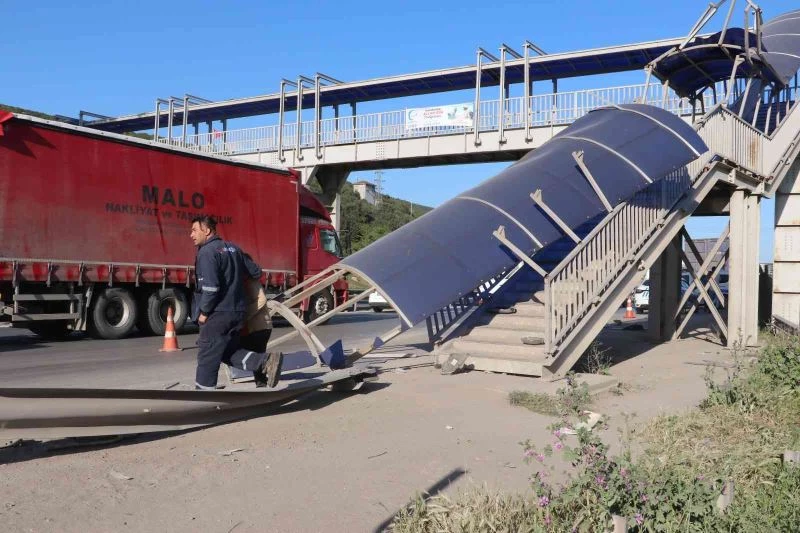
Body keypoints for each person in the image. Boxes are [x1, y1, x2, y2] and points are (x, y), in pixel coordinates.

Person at [190, 215, 282, 390]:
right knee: (226, 351)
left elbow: (211, 288)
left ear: (207, 230)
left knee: (207, 353)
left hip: (218, 312)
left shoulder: (207, 252)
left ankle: (203, 395)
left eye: (194, 230)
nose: (191, 235)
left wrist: (204, 312)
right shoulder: (234, 249)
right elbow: (256, 271)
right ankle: (264, 362)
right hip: (237, 312)